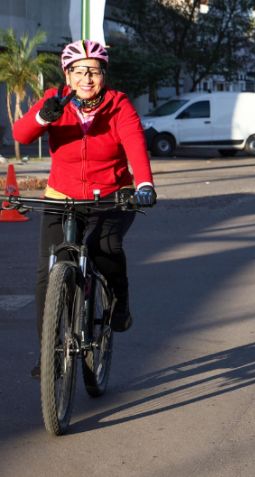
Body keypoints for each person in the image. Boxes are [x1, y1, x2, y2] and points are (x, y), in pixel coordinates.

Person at [12, 39, 156, 378]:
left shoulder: (119, 104)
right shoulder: (53, 101)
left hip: (110, 196)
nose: (86, 78)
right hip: (62, 196)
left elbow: (135, 143)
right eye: (78, 71)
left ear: (103, 73)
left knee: (106, 248)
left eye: (93, 70)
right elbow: (21, 133)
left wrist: (145, 184)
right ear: (67, 74)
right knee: (47, 274)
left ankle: (118, 305)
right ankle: (48, 356)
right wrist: (42, 118)